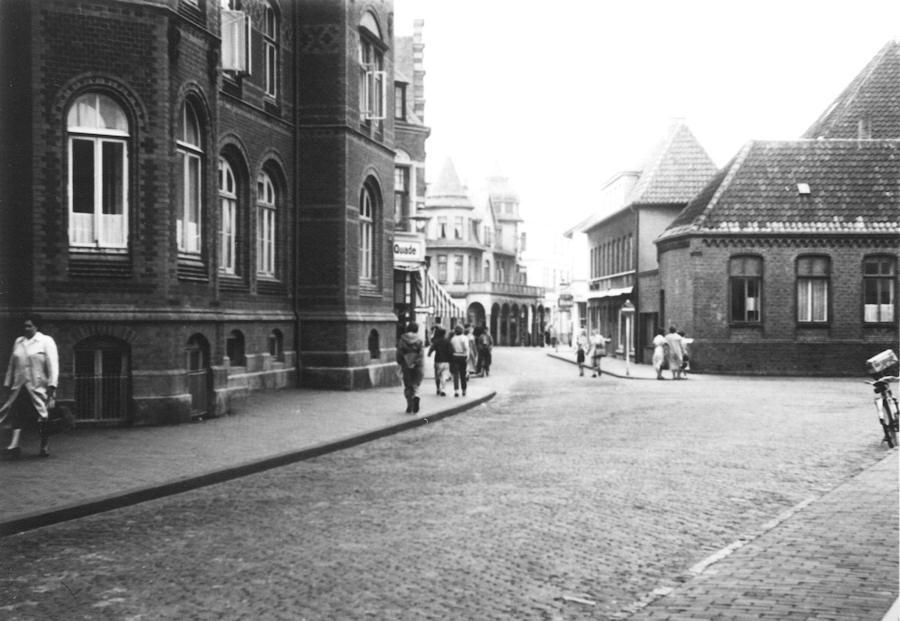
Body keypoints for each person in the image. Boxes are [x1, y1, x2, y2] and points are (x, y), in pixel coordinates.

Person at [0, 314, 59, 458]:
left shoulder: (46, 341)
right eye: (24, 326)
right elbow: (11, 365)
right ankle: (14, 445)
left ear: (36, 326)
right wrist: (7, 384)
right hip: (19, 385)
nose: (25, 328)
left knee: (42, 416)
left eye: (29, 326)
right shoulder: (18, 341)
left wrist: (52, 385)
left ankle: (44, 446)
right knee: (17, 413)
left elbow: (53, 364)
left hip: (39, 386)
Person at [395, 322, 424, 414]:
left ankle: (409, 405)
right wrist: (417, 362)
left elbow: (399, 352)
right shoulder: (419, 339)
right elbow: (421, 353)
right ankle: (416, 396)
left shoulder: (402, 339)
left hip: (406, 363)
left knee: (408, 385)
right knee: (416, 383)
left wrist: (401, 361)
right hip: (417, 365)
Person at [427, 327, 452, 397]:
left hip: (437, 360)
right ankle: (443, 389)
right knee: (444, 375)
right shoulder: (447, 341)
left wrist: (429, 353)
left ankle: (438, 388)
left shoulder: (436, 341)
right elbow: (450, 350)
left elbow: (432, 348)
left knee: (437, 376)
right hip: (446, 361)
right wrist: (451, 358)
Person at [449, 324, 470, 397]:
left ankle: (456, 390)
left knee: (455, 374)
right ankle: (464, 390)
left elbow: (451, 348)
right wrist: (467, 355)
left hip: (455, 356)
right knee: (463, 374)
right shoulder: (464, 338)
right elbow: (466, 347)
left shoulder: (453, 339)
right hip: (462, 356)